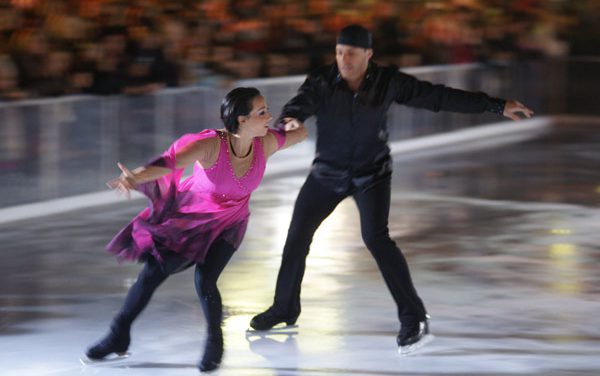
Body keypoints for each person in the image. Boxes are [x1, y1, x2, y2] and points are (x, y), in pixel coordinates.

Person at [249, 25, 534, 354]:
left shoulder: (388, 82)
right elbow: (300, 104)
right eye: (339, 52)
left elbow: (439, 97)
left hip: (372, 174)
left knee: (376, 238)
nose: (344, 59)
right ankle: (285, 307)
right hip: (327, 173)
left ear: (368, 55)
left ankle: (413, 317)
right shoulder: (322, 80)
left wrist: (497, 106)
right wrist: (291, 119)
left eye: (352, 53)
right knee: (297, 235)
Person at [85, 87, 307, 372]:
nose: (269, 116)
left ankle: (215, 342)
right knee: (153, 273)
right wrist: (136, 177)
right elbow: (168, 163)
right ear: (241, 120)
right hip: (190, 219)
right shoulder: (211, 145)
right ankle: (118, 334)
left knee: (206, 280)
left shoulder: (265, 143)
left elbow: (299, 135)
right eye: (261, 112)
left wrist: (293, 124)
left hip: (231, 222)